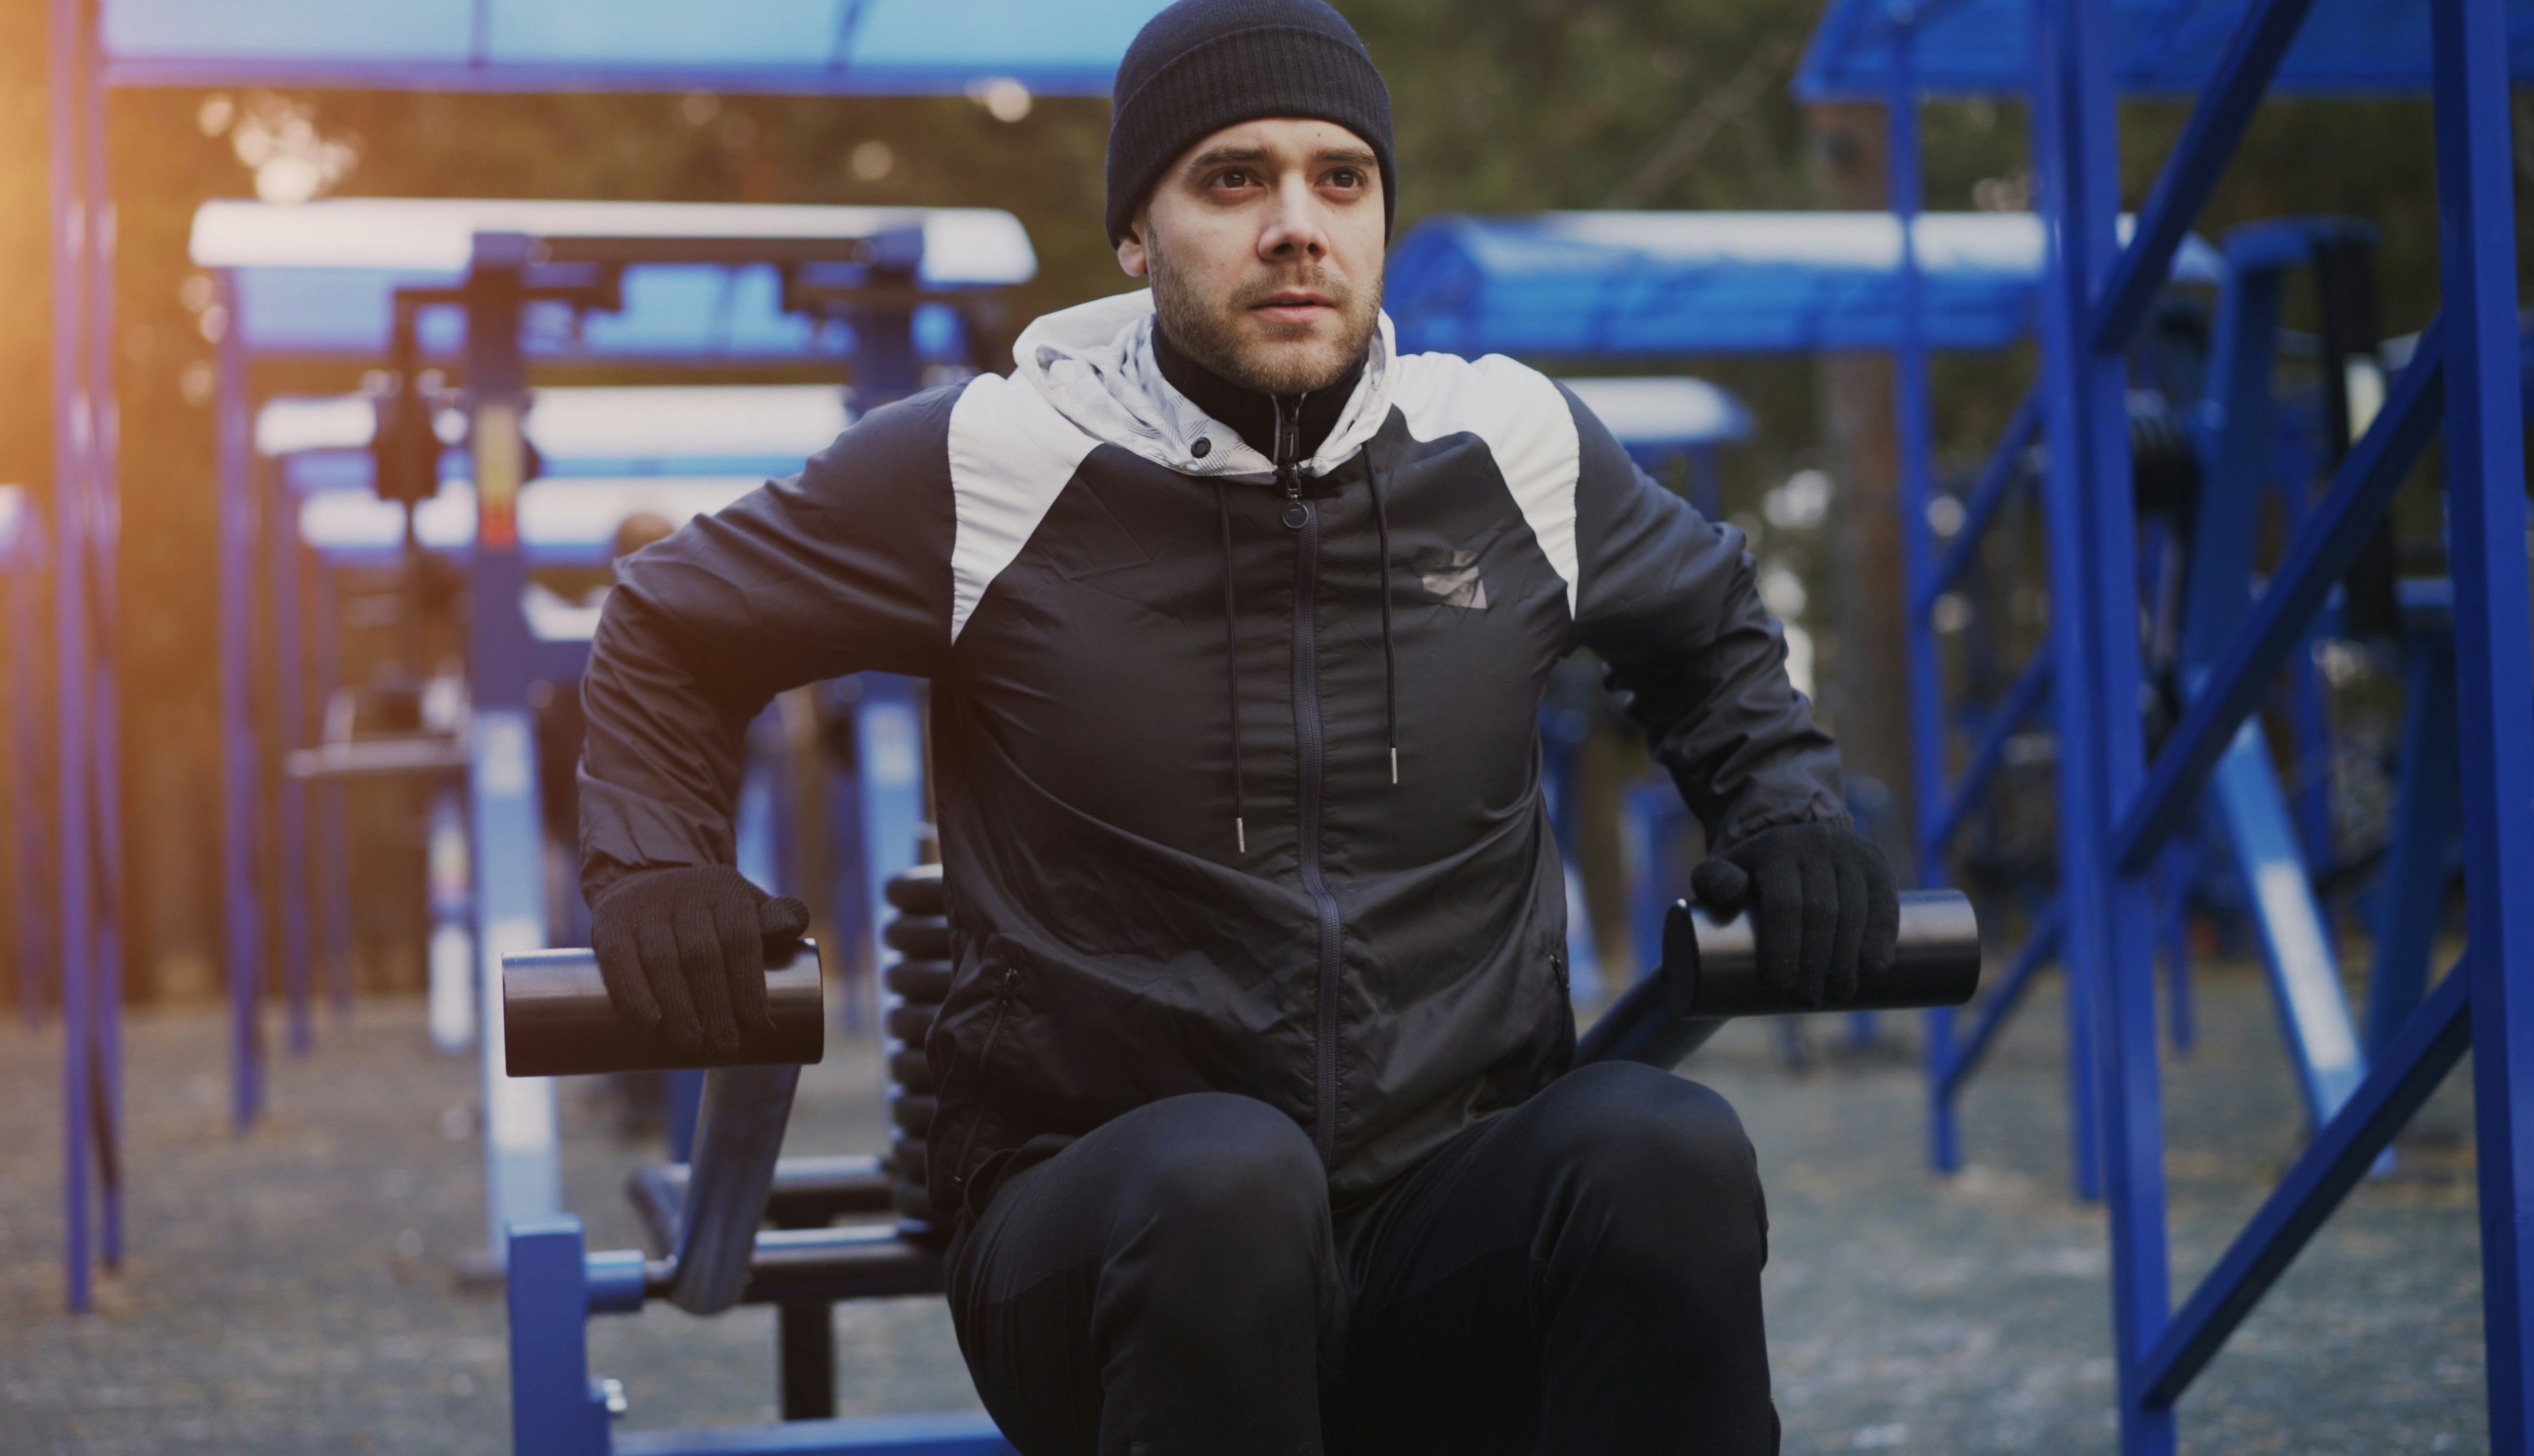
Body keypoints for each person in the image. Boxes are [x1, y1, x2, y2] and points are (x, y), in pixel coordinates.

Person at [575, 2, 1895, 1449]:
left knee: (1664, 1152)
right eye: (1232, 179)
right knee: (1229, 1181)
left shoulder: (1509, 449)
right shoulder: (994, 462)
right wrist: (659, 867)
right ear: (1135, 236)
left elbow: (1705, 623)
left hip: (1440, 1220)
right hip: (1109, 1229)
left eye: (1341, 178)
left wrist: (1786, 809)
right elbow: (668, 626)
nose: (1295, 226)